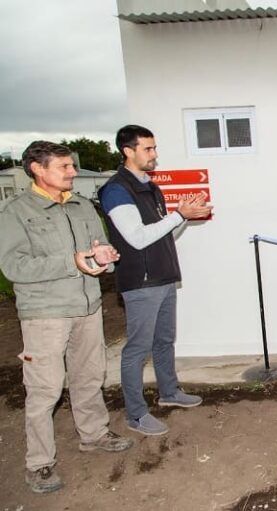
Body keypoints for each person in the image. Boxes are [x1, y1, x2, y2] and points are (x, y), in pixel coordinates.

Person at [0, 141, 134, 493]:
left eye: (72, 166)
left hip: (88, 307)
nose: (73, 172)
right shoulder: (16, 211)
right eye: (64, 167)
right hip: (45, 314)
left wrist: (104, 256)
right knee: (44, 390)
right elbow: (14, 266)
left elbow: (95, 247)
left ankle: (93, 435)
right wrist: (70, 263)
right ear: (37, 169)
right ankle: (39, 463)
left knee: (89, 376)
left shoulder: (81, 206)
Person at [98, 125, 213, 436]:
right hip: (141, 283)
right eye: (148, 149)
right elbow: (136, 239)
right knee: (137, 348)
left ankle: (169, 392)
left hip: (163, 277)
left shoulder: (150, 187)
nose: (154, 154)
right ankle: (135, 414)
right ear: (128, 151)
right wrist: (178, 215)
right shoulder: (117, 190)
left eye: (154, 148)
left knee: (164, 340)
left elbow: (164, 236)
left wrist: (184, 216)